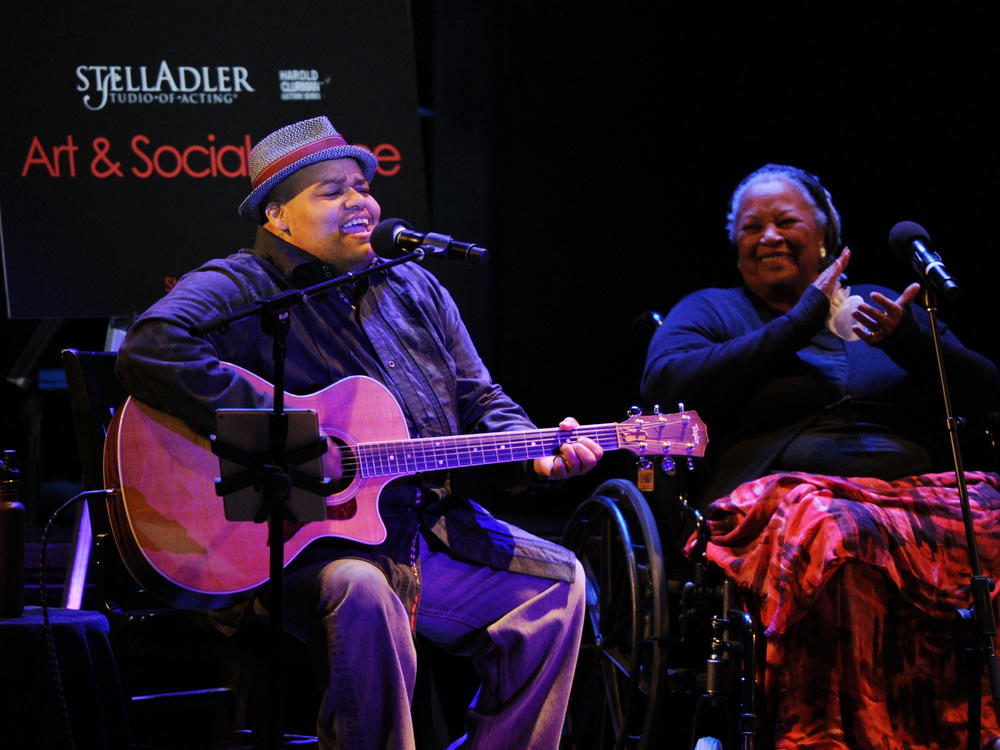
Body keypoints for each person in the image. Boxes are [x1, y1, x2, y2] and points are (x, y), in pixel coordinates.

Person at [115, 115, 603, 750]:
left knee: (558, 584)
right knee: (363, 588)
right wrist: (285, 436)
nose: (359, 202)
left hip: (422, 527)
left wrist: (534, 454)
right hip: (295, 547)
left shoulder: (415, 285)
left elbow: (478, 396)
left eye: (362, 185)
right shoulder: (241, 283)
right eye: (331, 190)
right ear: (277, 216)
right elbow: (151, 348)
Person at [641, 163, 1000, 749]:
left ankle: (976, 727)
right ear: (736, 246)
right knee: (837, 529)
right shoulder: (712, 310)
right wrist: (802, 318)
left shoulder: (887, 307)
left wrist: (910, 340)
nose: (770, 237)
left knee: (988, 516)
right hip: (786, 502)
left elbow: (986, 391)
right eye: (752, 227)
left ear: (826, 234)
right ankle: (826, 734)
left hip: (912, 495)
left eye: (787, 221)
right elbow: (663, 383)